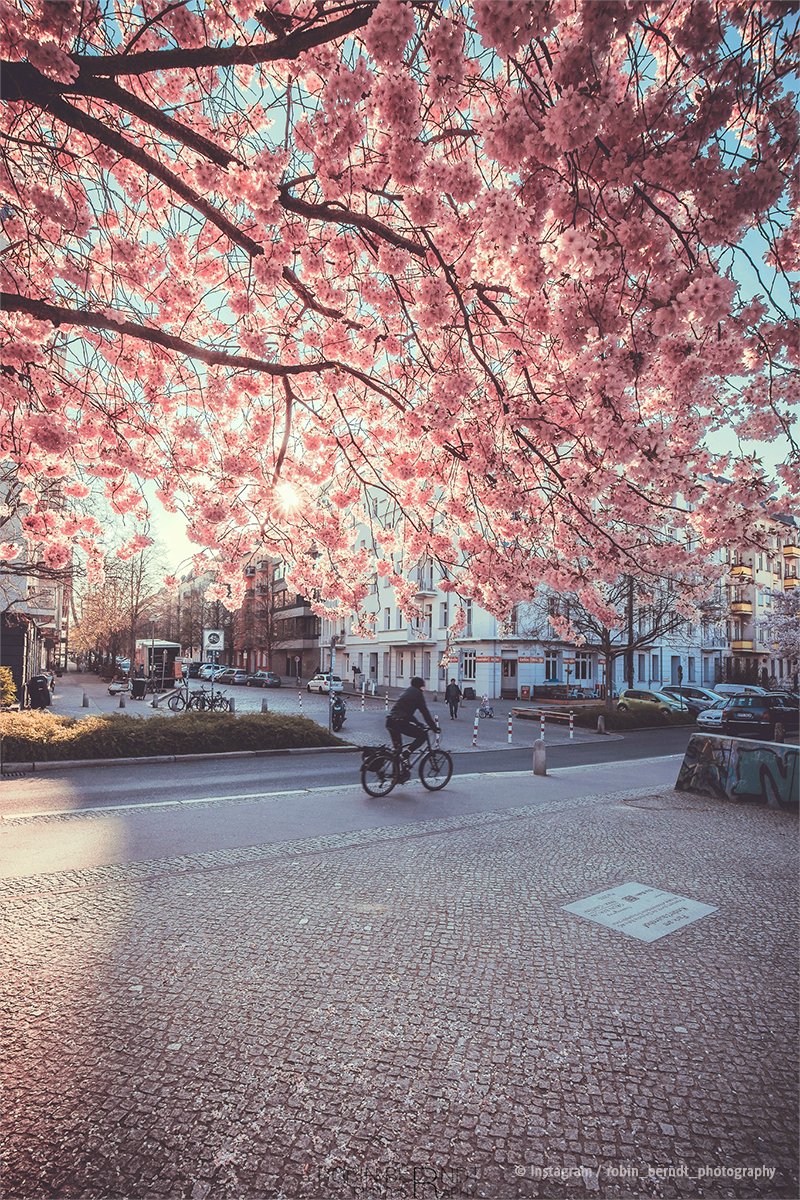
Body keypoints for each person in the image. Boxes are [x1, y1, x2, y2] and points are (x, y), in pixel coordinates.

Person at [386, 676, 438, 781]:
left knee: (397, 750)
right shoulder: (418, 694)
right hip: (399, 722)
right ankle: (408, 753)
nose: (423, 689)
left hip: (390, 721)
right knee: (423, 735)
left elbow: (407, 712)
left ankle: (397, 775)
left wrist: (418, 723)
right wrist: (434, 727)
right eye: (423, 686)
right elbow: (425, 712)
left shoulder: (408, 691)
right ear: (420, 686)